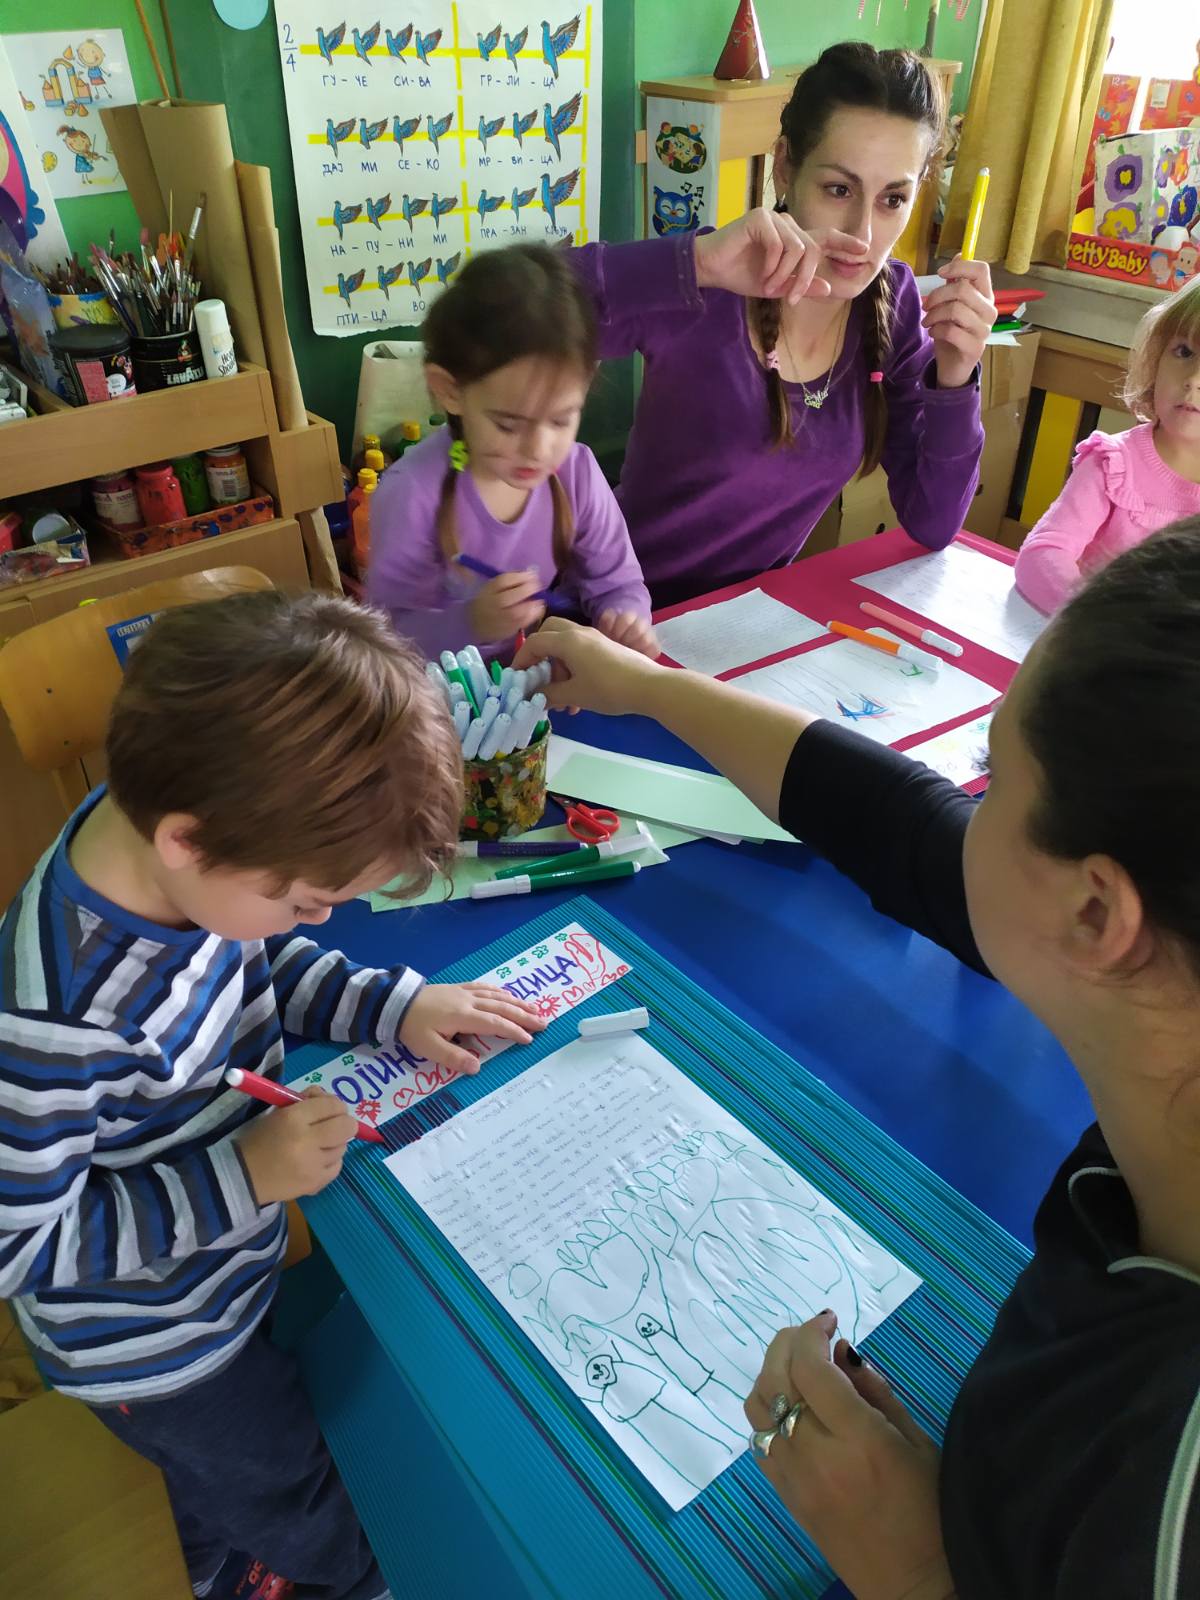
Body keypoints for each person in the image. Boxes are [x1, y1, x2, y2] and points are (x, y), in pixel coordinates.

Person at [516, 523, 1200, 1597]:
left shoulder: (1159, 1488)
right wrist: (646, 687)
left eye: (993, 782)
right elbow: (900, 825)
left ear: (1096, 912)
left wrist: (919, 1570)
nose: (965, 804)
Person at [0, 591, 544, 1600]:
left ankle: (215, 1548)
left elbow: (254, 958)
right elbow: (18, 1247)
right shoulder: (55, 1022)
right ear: (187, 840)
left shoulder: (175, 856)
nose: (318, 920)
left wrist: (392, 1006)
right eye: (306, 900)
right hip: (157, 1350)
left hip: (230, 1277)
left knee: (236, 1482)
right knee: (302, 1500)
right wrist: (243, 1174)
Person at [570, 42, 995, 607]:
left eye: (893, 198)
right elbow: (503, 311)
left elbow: (933, 521)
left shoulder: (891, 305)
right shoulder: (710, 282)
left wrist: (956, 376)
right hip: (610, 616)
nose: (863, 234)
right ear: (785, 166)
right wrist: (694, 264)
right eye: (839, 189)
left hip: (744, 632)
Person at [367, 243, 656, 662]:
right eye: (508, 424)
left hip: (536, 677)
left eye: (561, 420)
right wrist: (472, 622)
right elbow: (388, 641)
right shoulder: (412, 494)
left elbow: (618, 583)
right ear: (450, 391)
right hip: (439, 690)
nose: (538, 450)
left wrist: (626, 618)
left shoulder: (577, 471)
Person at [1015, 274, 1200, 613]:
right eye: (1184, 352)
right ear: (1157, 358)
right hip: (1092, 635)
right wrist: (1094, 618)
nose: (1193, 379)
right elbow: (1041, 555)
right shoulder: (1114, 464)